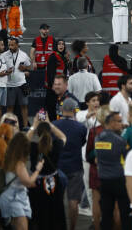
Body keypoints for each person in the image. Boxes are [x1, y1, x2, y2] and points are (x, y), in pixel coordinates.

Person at [53, 98, 89, 230]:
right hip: (75, 167)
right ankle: (72, 228)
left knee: (57, 200)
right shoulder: (81, 127)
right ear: (75, 111)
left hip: (57, 167)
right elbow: (83, 144)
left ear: (62, 110)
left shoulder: (54, 125)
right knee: (73, 201)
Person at [0, 132, 45, 230]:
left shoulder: (9, 160)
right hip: (14, 200)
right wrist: (38, 169)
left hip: (12, 198)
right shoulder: (19, 164)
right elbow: (28, 182)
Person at [94, 110, 131, 229]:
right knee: (125, 214)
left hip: (104, 181)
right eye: (119, 121)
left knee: (106, 215)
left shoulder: (98, 138)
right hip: (119, 180)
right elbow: (128, 158)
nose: (121, 124)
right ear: (111, 123)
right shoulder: (120, 141)